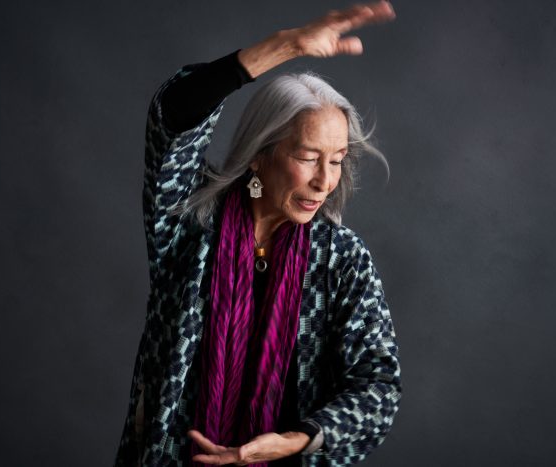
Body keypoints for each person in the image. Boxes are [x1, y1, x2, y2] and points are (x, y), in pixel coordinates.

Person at [115, 2, 401, 466]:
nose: (325, 181)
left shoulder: (341, 258)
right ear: (259, 154)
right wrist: (285, 47)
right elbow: (171, 117)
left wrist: (296, 439)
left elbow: (378, 386)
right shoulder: (191, 224)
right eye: (309, 156)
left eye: (338, 159)